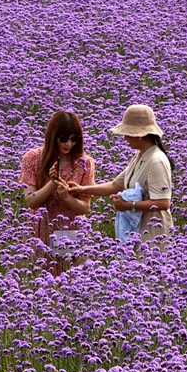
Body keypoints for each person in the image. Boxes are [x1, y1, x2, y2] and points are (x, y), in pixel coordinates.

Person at [75, 104, 175, 242]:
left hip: (153, 235)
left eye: (127, 133)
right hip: (137, 231)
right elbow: (115, 186)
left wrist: (129, 206)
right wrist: (81, 189)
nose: (125, 138)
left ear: (140, 135)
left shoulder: (156, 161)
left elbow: (163, 202)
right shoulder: (140, 156)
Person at [18, 110, 96, 266]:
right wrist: (52, 183)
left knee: (68, 277)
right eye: (63, 138)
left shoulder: (84, 163)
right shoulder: (32, 158)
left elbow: (84, 208)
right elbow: (31, 201)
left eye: (74, 139)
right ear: (53, 136)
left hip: (71, 229)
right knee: (40, 276)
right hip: (40, 229)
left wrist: (66, 197)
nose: (69, 144)